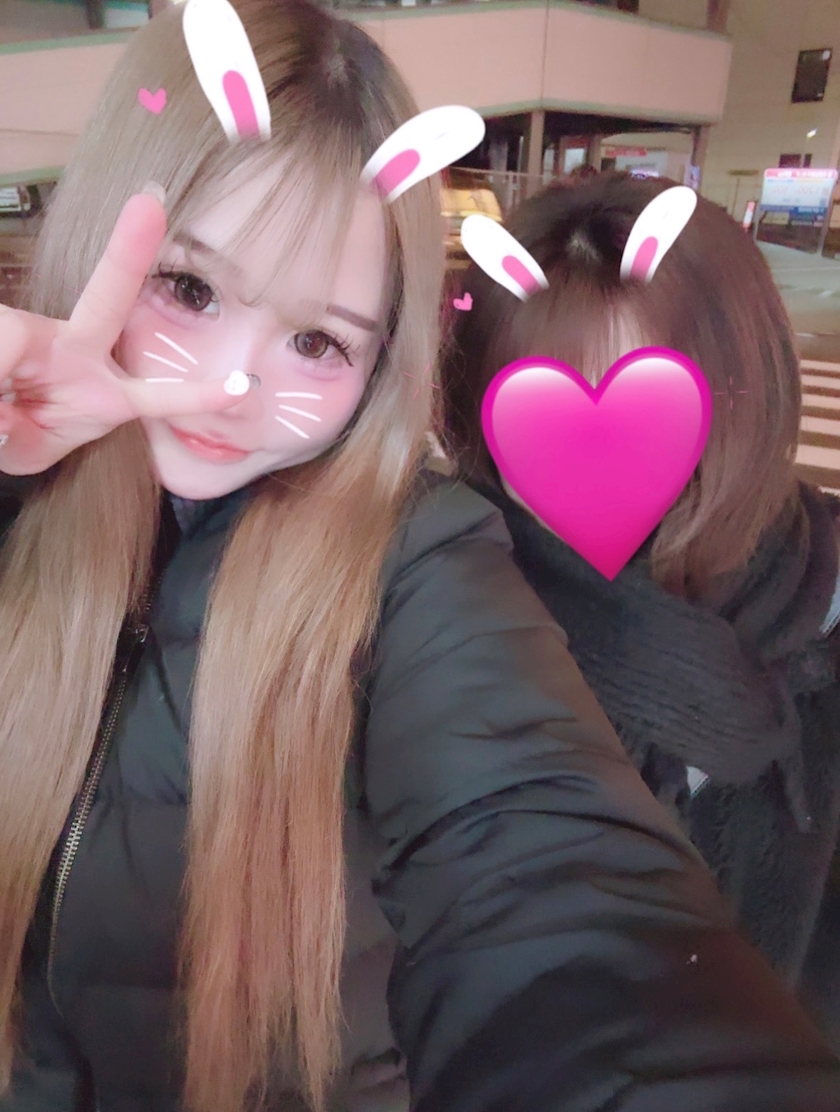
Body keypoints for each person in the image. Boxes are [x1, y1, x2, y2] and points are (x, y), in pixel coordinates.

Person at [1, 6, 840, 1109]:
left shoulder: (417, 564)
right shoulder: (25, 504)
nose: (233, 386)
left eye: (317, 340)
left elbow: (553, 888)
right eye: (190, 289)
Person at [443, 171, 840, 1052]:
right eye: (540, 408)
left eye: (653, 404)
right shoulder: (441, 620)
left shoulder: (819, 614)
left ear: (750, 389)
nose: (596, 459)